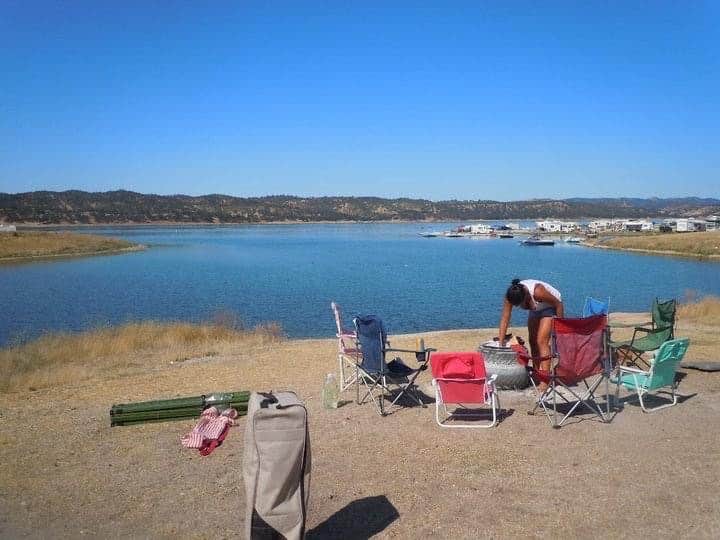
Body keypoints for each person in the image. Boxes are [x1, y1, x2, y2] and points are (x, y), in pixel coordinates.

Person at [498, 278, 564, 392]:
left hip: (550, 306)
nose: (520, 307)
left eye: (521, 304)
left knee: (541, 341)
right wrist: (500, 342)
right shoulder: (510, 296)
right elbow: (505, 318)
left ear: (527, 296)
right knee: (532, 341)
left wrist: (560, 328)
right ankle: (536, 374)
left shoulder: (538, 291)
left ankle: (545, 380)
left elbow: (558, 304)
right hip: (536, 308)